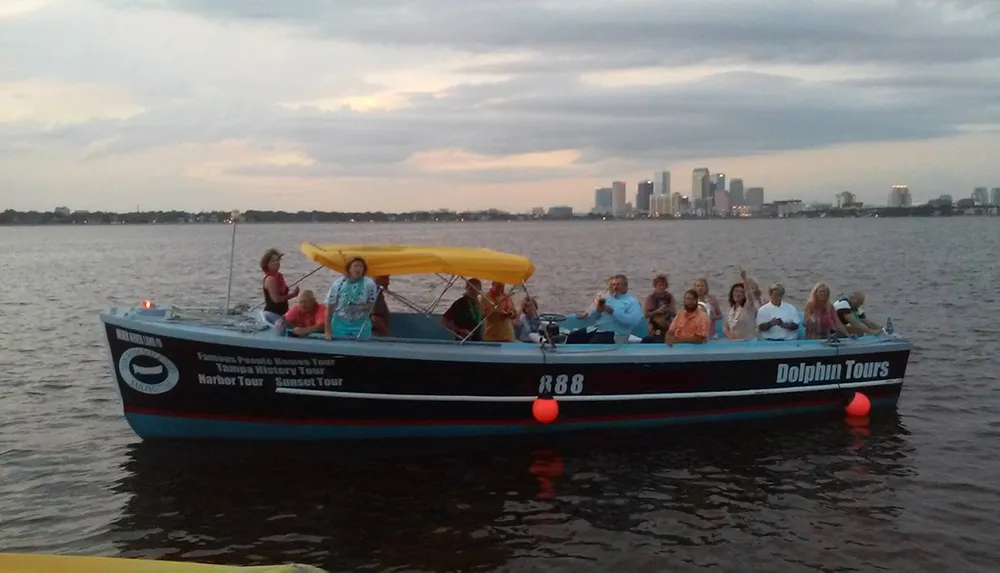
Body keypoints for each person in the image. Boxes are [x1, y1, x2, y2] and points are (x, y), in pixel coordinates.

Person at [569, 274, 643, 344]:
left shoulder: (632, 302)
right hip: (597, 329)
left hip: (615, 333)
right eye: (613, 284)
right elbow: (594, 316)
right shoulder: (606, 298)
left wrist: (613, 312)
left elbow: (633, 321)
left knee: (593, 344)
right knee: (572, 337)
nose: (615, 287)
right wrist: (598, 310)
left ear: (625, 287)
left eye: (618, 284)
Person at [324, 256, 379, 340]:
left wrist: (358, 308)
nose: (358, 269)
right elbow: (330, 306)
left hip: (361, 324)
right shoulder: (338, 284)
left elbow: (372, 305)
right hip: (340, 323)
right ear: (349, 268)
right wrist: (327, 330)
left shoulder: (369, 284)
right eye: (355, 266)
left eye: (361, 266)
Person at [724, 266, 765, 341]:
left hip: (748, 341)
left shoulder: (748, 307)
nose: (738, 294)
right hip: (733, 342)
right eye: (736, 291)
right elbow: (726, 327)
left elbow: (749, 295)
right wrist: (730, 337)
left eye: (741, 292)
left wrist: (744, 279)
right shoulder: (731, 309)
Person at [260, 248, 299, 319]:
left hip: (282, 313)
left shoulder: (278, 276)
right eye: (273, 261)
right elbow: (276, 299)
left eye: (277, 260)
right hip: (273, 314)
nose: (276, 262)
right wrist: (293, 294)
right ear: (267, 264)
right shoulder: (271, 279)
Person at [642, 274, 675, 343]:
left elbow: (674, 313)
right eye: (660, 285)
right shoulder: (650, 298)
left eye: (663, 285)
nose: (662, 287)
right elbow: (646, 315)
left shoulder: (669, 297)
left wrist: (668, 310)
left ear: (666, 286)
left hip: (666, 325)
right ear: (655, 286)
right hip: (654, 326)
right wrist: (658, 311)